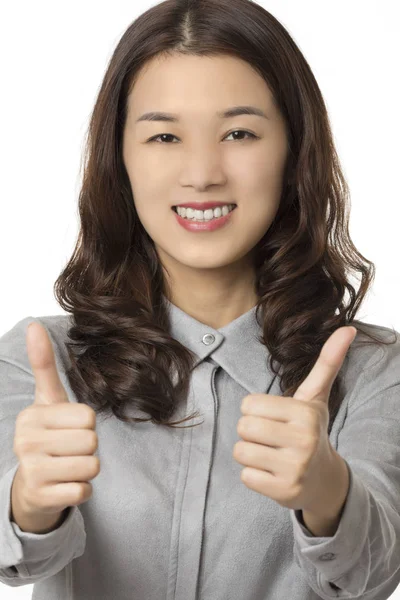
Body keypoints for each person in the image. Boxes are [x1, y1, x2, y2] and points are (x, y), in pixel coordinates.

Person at [1, 0, 400, 598]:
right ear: (122, 161)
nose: (202, 173)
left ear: (294, 154)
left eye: (239, 133)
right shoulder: (41, 358)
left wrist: (326, 492)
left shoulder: (371, 369)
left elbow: (376, 571)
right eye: (164, 135)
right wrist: (27, 501)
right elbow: (16, 560)